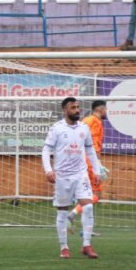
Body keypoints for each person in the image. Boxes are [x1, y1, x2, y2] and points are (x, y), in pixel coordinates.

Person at [42, 98, 106, 259]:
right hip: (62, 176)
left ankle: (86, 245)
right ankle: (64, 247)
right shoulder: (56, 128)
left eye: (78, 107)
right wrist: (48, 170)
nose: (77, 110)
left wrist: (96, 171)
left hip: (80, 174)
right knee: (62, 211)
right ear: (65, 110)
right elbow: (46, 150)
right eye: (73, 107)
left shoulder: (84, 128)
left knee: (88, 206)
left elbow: (90, 151)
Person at [68, 100, 109, 232]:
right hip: (90, 161)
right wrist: (98, 164)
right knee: (95, 194)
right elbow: (93, 144)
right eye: (105, 109)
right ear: (100, 109)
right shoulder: (95, 121)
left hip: (81, 160)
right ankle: (72, 214)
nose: (106, 112)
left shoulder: (86, 120)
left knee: (83, 194)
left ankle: (84, 229)